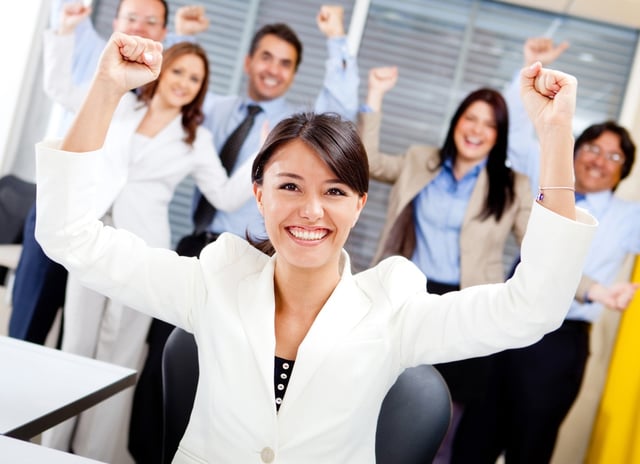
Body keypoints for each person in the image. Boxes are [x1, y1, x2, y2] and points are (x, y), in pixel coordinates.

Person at [35, 32, 596, 464]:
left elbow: (534, 308)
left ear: (358, 204)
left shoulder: (394, 310)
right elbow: (70, 236)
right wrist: (107, 87)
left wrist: (555, 136)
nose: (310, 210)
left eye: (333, 191)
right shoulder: (212, 282)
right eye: (289, 187)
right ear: (258, 195)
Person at [130, 6, 360, 461]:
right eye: (267, 58)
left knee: (225, 376)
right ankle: (146, 453)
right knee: (163, 359)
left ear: (294, 73)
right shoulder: (212, 109)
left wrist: (337, 40)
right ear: (249, 61)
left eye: (285, 63)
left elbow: (343, 108)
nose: (273, 69)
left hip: (257, 257)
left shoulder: (294, 132)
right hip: (198, 247)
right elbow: (160, 91)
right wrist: (174, 35)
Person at [39, 27, 255, 462]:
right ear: (161, 69)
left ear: (201, 91)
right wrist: (65, 30)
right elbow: (62, 89)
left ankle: (92, 452)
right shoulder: (120, 106)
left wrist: (262, 154)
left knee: (117, 357)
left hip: (143, 251)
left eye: (195, 79)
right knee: (76, 343)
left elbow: (227, 197)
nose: (184, 83)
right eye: (179, 71)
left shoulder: (196, 141)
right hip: (93, 234)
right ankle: (52, 448)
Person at [450, 37, 640, 464]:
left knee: (530, 448)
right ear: (575, 151)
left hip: (560, 344)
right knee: (472, 440)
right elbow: (510, 133)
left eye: (614, 156)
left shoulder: (630, 217)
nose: (599, 160)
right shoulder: (547, 174)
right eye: (592, 147)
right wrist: (531, 69)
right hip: (507, 322)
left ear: (623, 170)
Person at [358, 65, 533, 461]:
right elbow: (365, 164)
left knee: (443, 425)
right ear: (456, 122)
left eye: (488, 124)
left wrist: (593, 288)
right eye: (470, 118)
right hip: (409, 301)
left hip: (465, 308)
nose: (476, 129)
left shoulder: (511, 186)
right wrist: (375, 96)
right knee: (381, 406)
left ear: (498, 135)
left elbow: (538, 247)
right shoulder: (422, 161)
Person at [8, 0, 208, 345]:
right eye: (132, 18)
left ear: (163, 31)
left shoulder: (159, 92)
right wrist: (66, 30)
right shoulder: (103, 75)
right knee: (33, 316)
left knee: (95, 333)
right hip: (65, 211)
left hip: (110, 232)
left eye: (151, 22)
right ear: (116, 20)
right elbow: (58, 88)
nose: (140, 27)